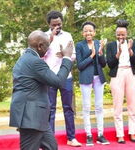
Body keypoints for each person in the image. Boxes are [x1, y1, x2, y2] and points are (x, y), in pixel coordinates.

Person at [9, 30, 73, 150]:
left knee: (51, 146)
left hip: (36, 116)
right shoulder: (35, 62)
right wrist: (67, 58)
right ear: (39, 46)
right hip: (31, 116)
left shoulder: (26, 58)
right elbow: (58, 82)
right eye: (47, 46)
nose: (48, 49)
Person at [43, 10, 81, 147]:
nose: (57, 27)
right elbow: (40, 56)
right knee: (50, 109)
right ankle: (49, 140)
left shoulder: (68, 35)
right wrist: (50, 40)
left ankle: (71, 138)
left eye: (59, 24)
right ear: (49, 24)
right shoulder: (44, 36)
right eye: (54, 25)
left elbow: (74, 55)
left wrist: (65, 55)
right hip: (50, 77)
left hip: (66, 77)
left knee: (68, 108)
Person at [75, 21, 110, 146]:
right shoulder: (79, 45)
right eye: (86, 30)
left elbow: (103, 63)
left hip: (98, 78)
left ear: (94, 32)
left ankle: (100, 134)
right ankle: (89, 135)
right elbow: (80, 66)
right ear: (83, 33)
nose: (88, 32)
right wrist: (92, 55)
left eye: (90, 30)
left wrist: (100, 53)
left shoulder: (97, 43)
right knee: (86, 107)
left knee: (99, 106)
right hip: (86, 78)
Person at [106, 19, 135, 144]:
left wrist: (130, 50)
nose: (121, 36)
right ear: (115, 34)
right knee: (117, 105)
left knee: (132, 105)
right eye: (118, 34)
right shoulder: (110, 45)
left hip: (130, 73)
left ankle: (132, 132)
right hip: (117, 74)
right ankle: (120, 134)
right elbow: (110, 63)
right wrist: (119, 52)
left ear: (127, 34)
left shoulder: (132, 43)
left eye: (123, 34)